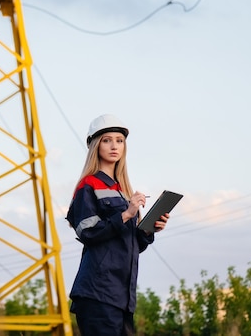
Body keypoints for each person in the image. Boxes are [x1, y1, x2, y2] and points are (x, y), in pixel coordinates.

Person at [66, 114, 169, 336]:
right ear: (95, 145)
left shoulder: (123, 192)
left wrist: (151, 227)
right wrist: (127, 214)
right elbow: (88, 232)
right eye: (107, 140)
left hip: (123, 297)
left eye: (119, 141)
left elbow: (133, 245)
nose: (114, 146)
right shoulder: (88, 185)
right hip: (97, 293)